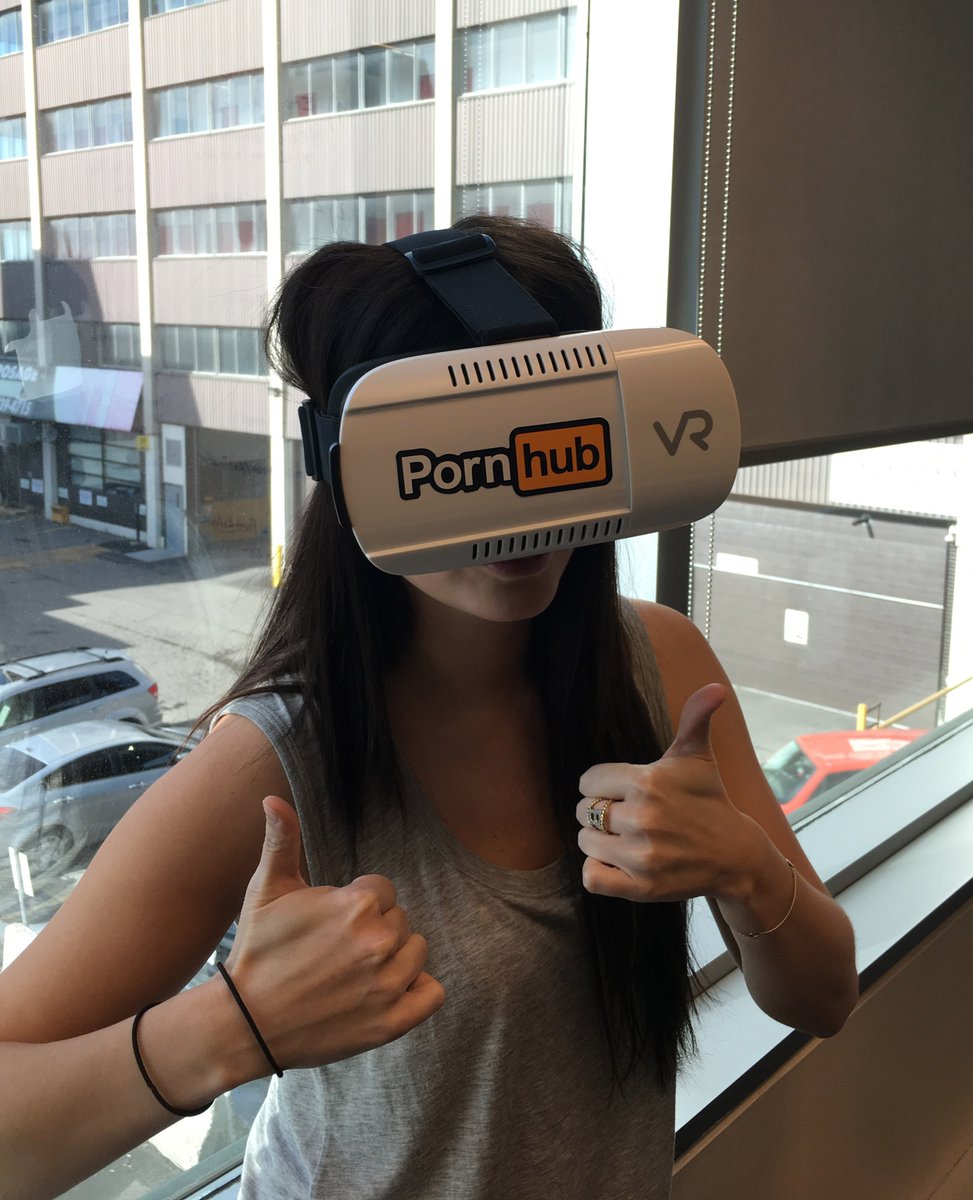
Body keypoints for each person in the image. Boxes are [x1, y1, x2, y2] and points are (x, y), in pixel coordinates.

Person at [0, 216, 858, 1200]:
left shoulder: (658, 664)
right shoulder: (274, 764)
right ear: (359, 472)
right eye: (465, 462)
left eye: (548, 443)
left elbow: (824, 998)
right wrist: (230, 1030)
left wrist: (745, 868)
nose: (520, 512)